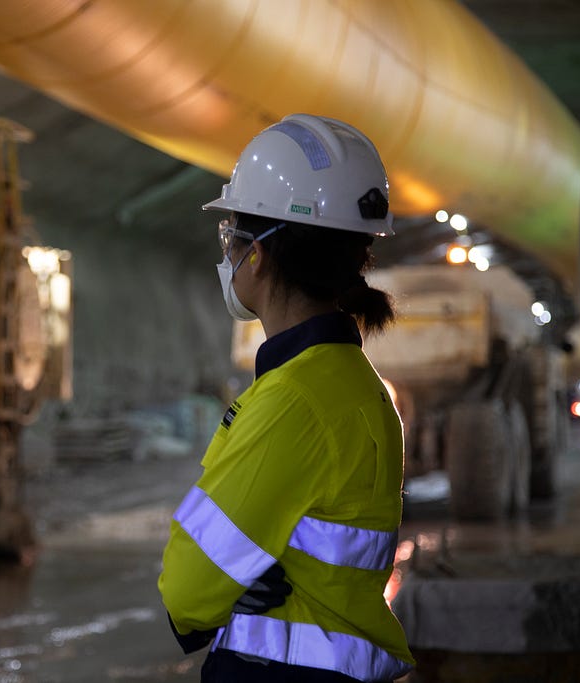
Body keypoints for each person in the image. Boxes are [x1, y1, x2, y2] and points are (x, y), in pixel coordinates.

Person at [157, 113, 415, 682]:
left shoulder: (294, 400)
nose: (229, 254)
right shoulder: (357, 383)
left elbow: (188, 587)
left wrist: (239, 577)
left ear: (263, 253)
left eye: (234, 236)